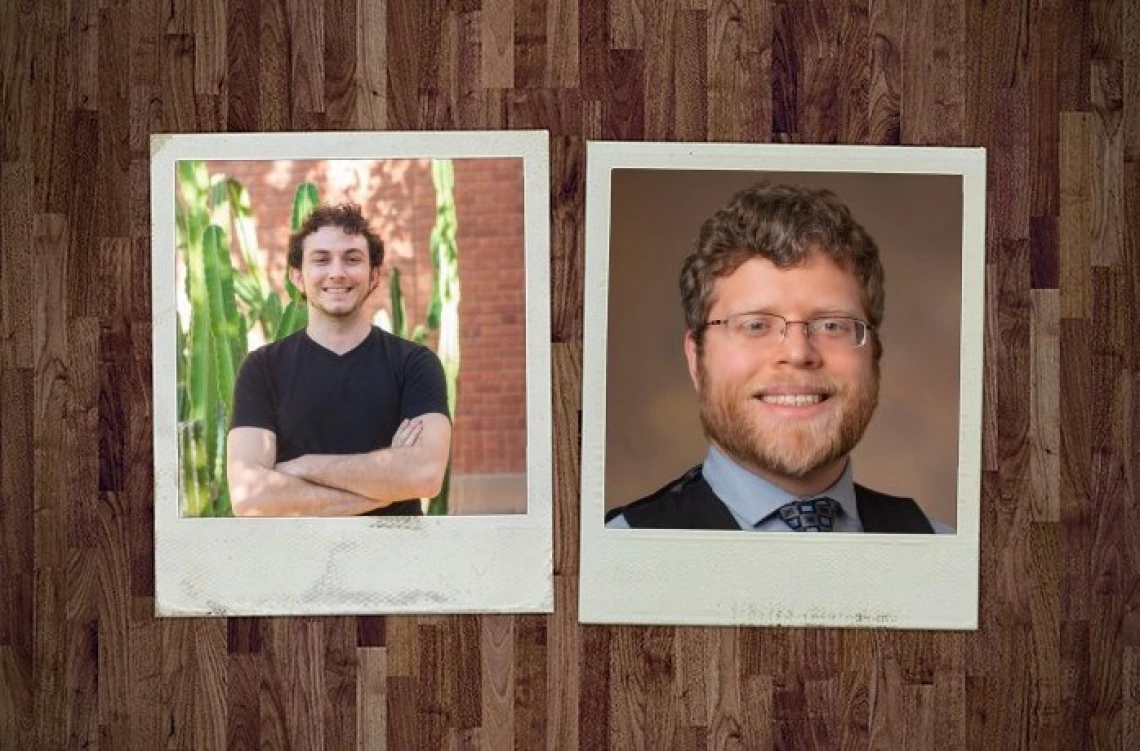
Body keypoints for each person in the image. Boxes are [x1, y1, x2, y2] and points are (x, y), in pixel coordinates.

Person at [605, 183, 951, 533]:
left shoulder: (946, 551)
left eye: (832, 325)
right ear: (697, 359)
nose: (798, 353)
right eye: (755, 325)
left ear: (874, 355)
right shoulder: (616, 552)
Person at [226, 203, 452, 517]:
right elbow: (249, 497)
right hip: (297, 560)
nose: (337, 272)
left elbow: (425, 476)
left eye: (352, 259)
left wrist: (301, 467)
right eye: (321, 259)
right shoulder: (262, 368)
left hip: (397, 557)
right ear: (297, 277)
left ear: (374, 276)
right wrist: (388, 485)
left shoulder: (415, 364)